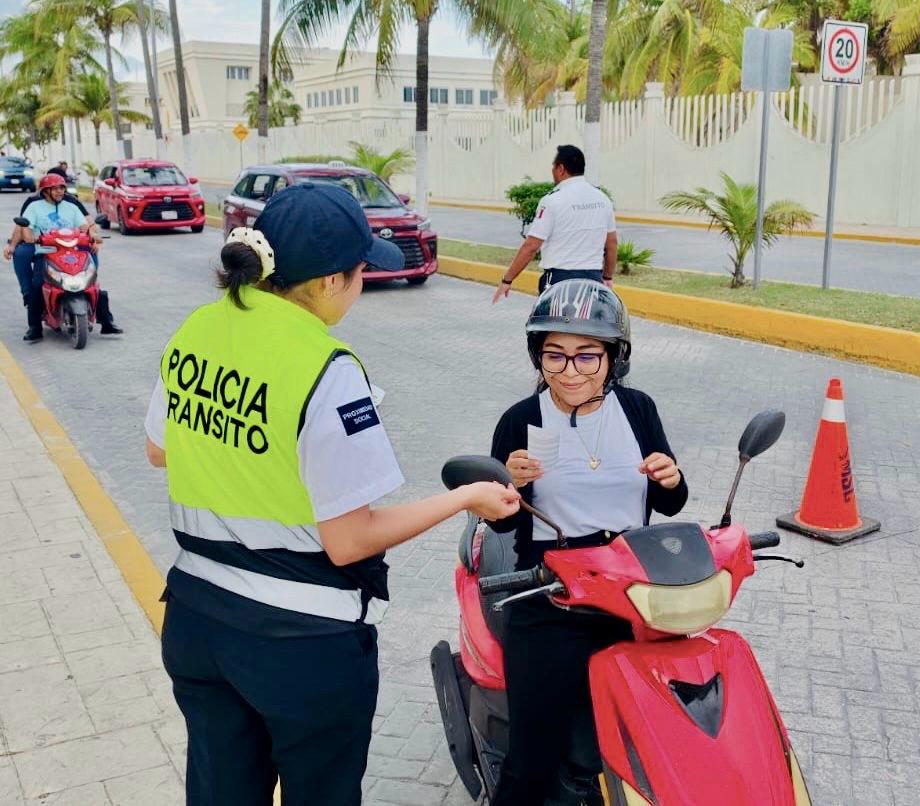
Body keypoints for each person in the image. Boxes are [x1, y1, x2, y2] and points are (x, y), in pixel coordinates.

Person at [143, 182, 520, 806]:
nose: (363, 283)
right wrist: (465, 498)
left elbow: (159, 450)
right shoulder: (328, 369)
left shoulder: (200, 328)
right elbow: (349, 541)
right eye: (360, 271)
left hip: (196, 619)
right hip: (298, 643)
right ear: (327, 283)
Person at [486, 279, 688, 805]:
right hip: (549, 594)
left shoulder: (638, 410)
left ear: (614, 358)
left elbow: (669, 504)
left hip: (631, 593)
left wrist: (672, 478)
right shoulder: (520, 420)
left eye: (586, 357)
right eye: (555, 356)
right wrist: (510, 488)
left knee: (663, 728)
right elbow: (505, 526)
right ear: (538, 356)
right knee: (532, 752)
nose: (569, 372)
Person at [493, 145, 617, 304]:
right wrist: (607, 277)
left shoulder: (551, 201)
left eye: (553, 166)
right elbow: (612, 243)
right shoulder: (602, 199)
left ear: (560, 169)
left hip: (558, 281)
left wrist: (507, 280)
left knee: (541, 327)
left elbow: (531, 246)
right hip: (593, 281)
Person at [12, 173, 122, 341]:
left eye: (62, 188)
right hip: (46, 253)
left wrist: (93, 236)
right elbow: (26, 227)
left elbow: (85, 226)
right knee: (37, 287)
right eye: (55, 188)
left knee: (92, 284)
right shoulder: (34, 207)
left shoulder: (71, 207)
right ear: (46, 191)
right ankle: (34, 327)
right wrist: (30, 237)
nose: (60, 191)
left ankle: (106, 322)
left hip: (74, 252)